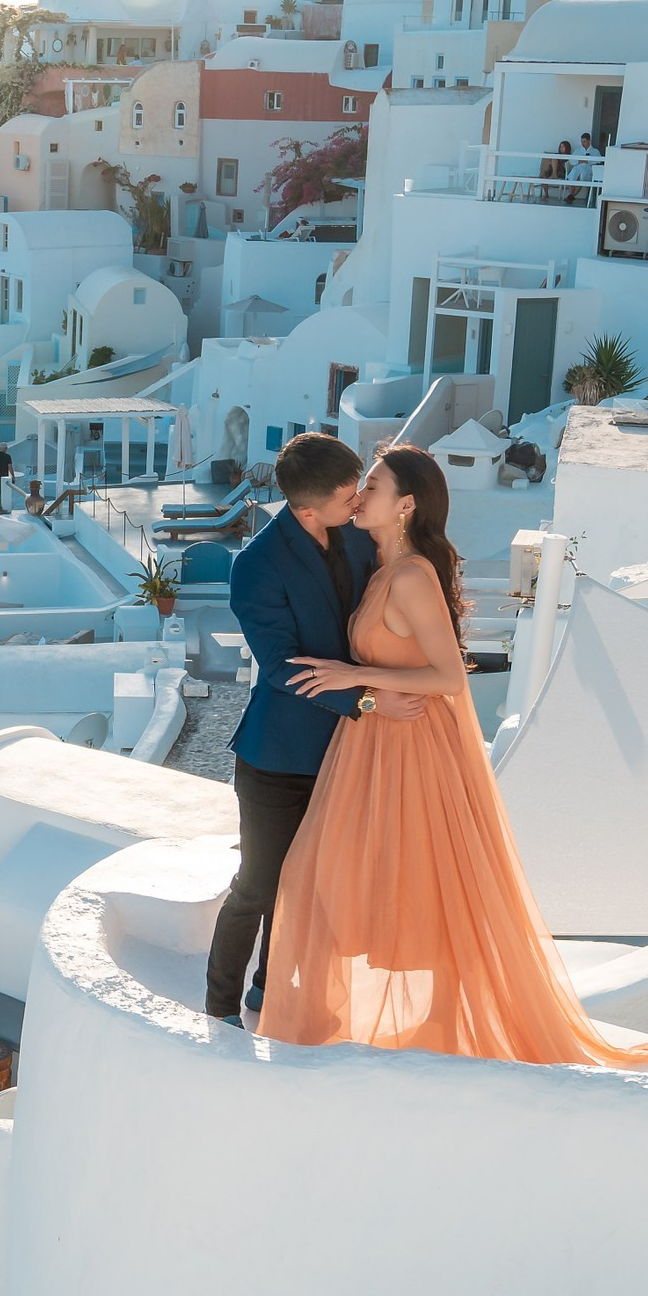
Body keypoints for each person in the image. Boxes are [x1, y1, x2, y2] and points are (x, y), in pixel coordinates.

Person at [256, 445, 648, 1067]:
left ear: (406, 504)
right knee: (338, 877)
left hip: (414, 746)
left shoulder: (413, 574)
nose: (359, 493)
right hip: (376, 743)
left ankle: (442, 1022)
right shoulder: (378, 564)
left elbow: (450, 677)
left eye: (372, 483)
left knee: (430, 882)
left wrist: (351, 673)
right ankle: (354, 1014)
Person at [203, 434, 426, 1026]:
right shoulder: (255, 566)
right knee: (258, 885)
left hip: (344, 754)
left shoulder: (357, 533)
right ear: (308, 509)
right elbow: (282, 669)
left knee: (309, 886)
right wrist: (370, 700)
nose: (359, 502)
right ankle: (219, 1007)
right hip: (278, 758)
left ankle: (268, 988)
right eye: (350, 495)